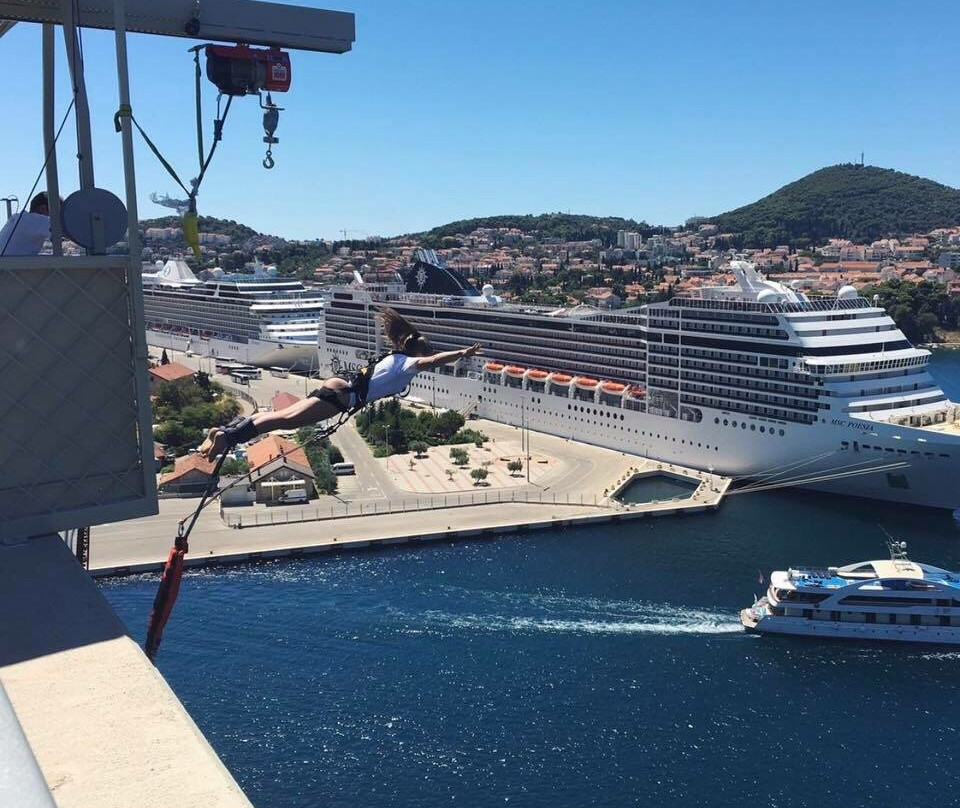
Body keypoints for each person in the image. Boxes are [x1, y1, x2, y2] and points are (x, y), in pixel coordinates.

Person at [199, 307, 482, 460]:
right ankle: (228, 438)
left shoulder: (394, 356)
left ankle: (222, 432)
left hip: (340, 385)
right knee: (283, 422)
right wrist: (461, 353)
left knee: (279, 416)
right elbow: (432, 362)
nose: (429, 357)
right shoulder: (409, 364)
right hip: (343, 397)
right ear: (420, 353)